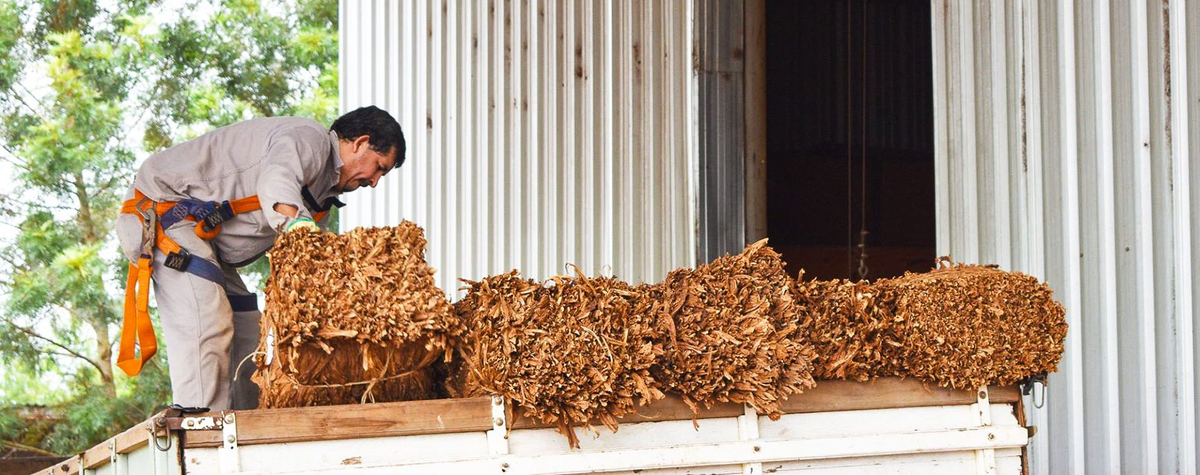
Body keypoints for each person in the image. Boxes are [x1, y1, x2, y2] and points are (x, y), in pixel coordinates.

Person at [114, 106, 405, 411]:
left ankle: (246, 423)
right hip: (164, 213)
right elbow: (277, 181)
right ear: (360, 142)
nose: (374, 182)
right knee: (209, 320)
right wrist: (297, 225)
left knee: (249, 329)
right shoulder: (311, 140)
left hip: (204, 243)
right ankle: (201, 428)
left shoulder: (321, 196)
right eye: (379, 167)